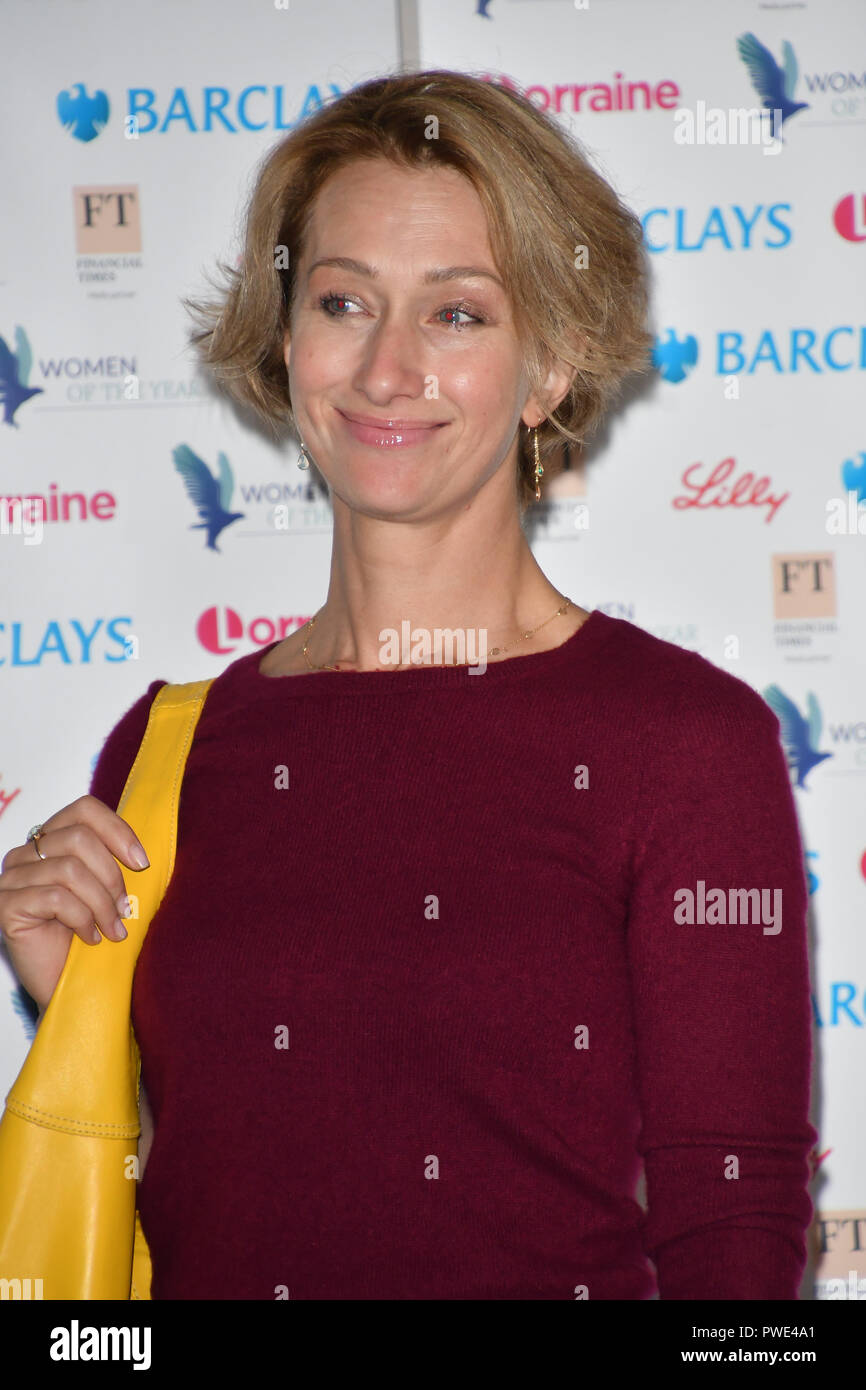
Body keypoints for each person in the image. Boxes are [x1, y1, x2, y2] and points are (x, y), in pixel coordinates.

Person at [0, 69, 816, 1300]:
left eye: (458, 315)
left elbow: (734, 1239)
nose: (388, 369)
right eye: (343, 301)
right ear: (285, 340)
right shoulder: (169, 748)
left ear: (547, 369)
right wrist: (83, 1018)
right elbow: (184, 1223)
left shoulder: (683, 744)